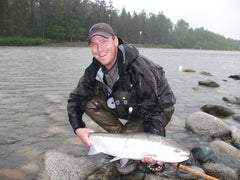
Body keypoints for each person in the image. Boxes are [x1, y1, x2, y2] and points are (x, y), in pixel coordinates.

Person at [67, 22, 176, 174]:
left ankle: (127, 146)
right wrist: (78, 128)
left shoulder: (139, 68)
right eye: (94, 44)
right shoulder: (92, 72)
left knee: (137, 136)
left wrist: (154, 148)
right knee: (89, 102)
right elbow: (75, 100)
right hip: (126, 104)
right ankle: (120, 139)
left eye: (104, 41)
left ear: (115, 41)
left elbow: (153, 112)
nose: (100, 49)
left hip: (159, 108)